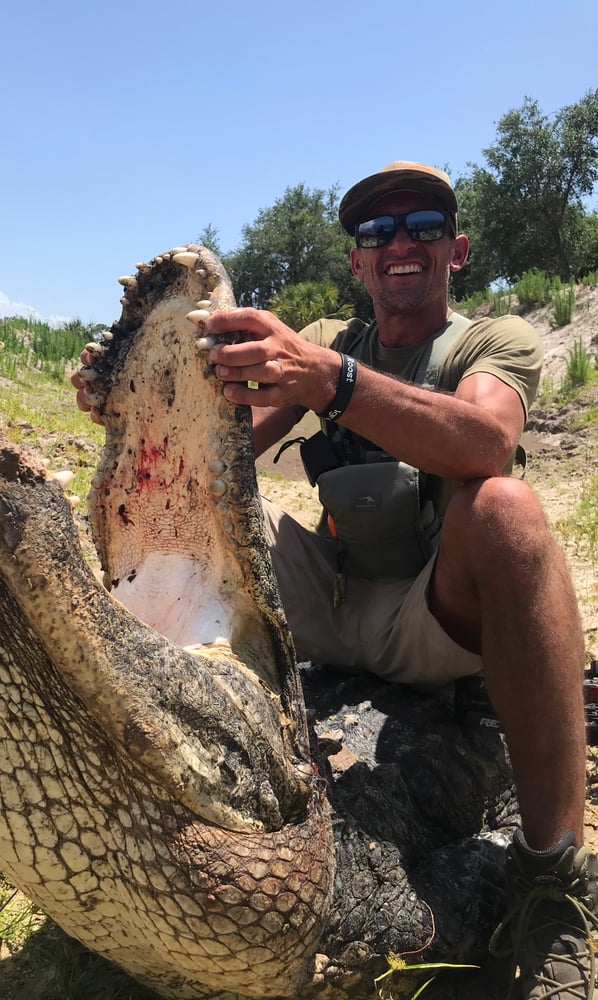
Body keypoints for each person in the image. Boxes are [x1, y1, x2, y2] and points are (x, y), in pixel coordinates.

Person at [74, 162, 598, 999]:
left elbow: (485, 442)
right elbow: (222, 446)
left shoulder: (495, 342)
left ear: (454, 249)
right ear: (358, 263)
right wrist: (137, 398)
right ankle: (98, 774)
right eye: (375, 232)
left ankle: (553, 882)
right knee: (174, 531)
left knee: (508, 512)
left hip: (436, 622)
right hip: (337, 599)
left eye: (422, 225)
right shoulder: (325, 337)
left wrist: (335, 384)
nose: (398, 243)